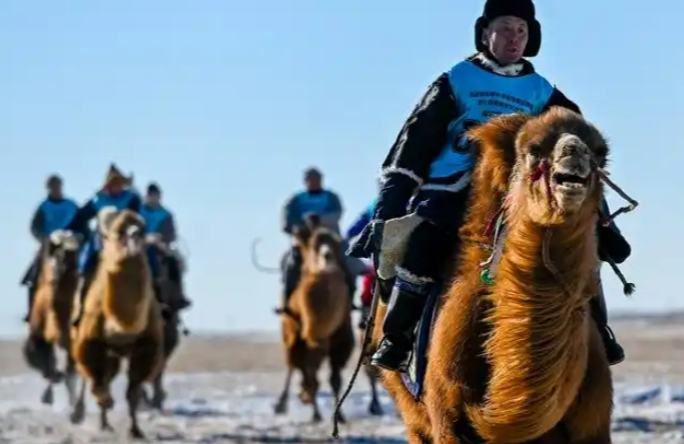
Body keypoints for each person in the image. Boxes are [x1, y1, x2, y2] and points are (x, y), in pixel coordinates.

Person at [350, 0, 630, 372]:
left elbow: (578, 148)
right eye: (506, 28)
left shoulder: (542, 92)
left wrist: (601, 218)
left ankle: (598, 331)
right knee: (426, 240)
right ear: (485, 34)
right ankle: (398, 338)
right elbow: (414, 141)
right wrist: (389, 205)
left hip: (519, 190)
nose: (514, 37)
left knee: (574, 245)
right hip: (455, 188)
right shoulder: (456, 80)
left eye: (522, 30)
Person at [69, 164, 141, 326]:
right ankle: (80, 307)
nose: (116, 186)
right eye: (113, 183)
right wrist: (74, 232)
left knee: (149, 259)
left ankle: (159, 300)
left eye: (119, 182)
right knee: (85, 263)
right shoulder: (98, 199)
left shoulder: (131, 199)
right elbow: (79, 218)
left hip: (125, 239)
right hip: (101, 239)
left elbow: (137, 217)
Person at [276, 167, 343, 313]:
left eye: (317, 178)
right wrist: (296, 227)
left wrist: (320, 220)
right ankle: (287, 300)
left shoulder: (331, 197)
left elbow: (337, 214)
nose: (314, 181)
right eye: (310, 178)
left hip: (328, 239)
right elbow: (287, 221)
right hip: (304, 241)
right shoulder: (296, 200)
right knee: (291, 265)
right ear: (305, 181)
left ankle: (349, 297)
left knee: (346, 263)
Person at [20, 175, 79, 322]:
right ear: (48, 188)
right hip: (50, 244)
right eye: (53, 186)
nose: (56, 189)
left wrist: (79, 235)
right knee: (34, 274)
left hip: (70, 243)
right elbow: (35, 227)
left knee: (85, 268)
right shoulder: (43, 206)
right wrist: (43, 239)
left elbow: (80, 222)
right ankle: (31, 310)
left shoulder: (71, 205)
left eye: (58, 186)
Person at [140, 183, 191, 310]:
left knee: (174, 262)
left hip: (159, 246)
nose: (153, 198)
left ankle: (178, 295)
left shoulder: (166, 214)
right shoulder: (138, 211)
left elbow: (171, 234)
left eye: (155, 195)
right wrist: (145, 238)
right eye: (150, 195)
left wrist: (160, 239)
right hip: (139, 245)